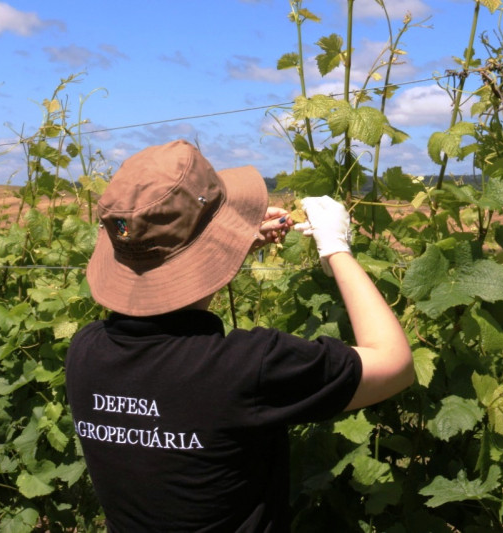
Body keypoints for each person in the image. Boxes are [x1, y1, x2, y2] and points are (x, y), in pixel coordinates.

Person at [65, 139, 414, 532]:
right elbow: (394, 363)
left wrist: (225, 248)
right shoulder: (247, 367)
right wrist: (337, 250)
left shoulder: (85, 351)